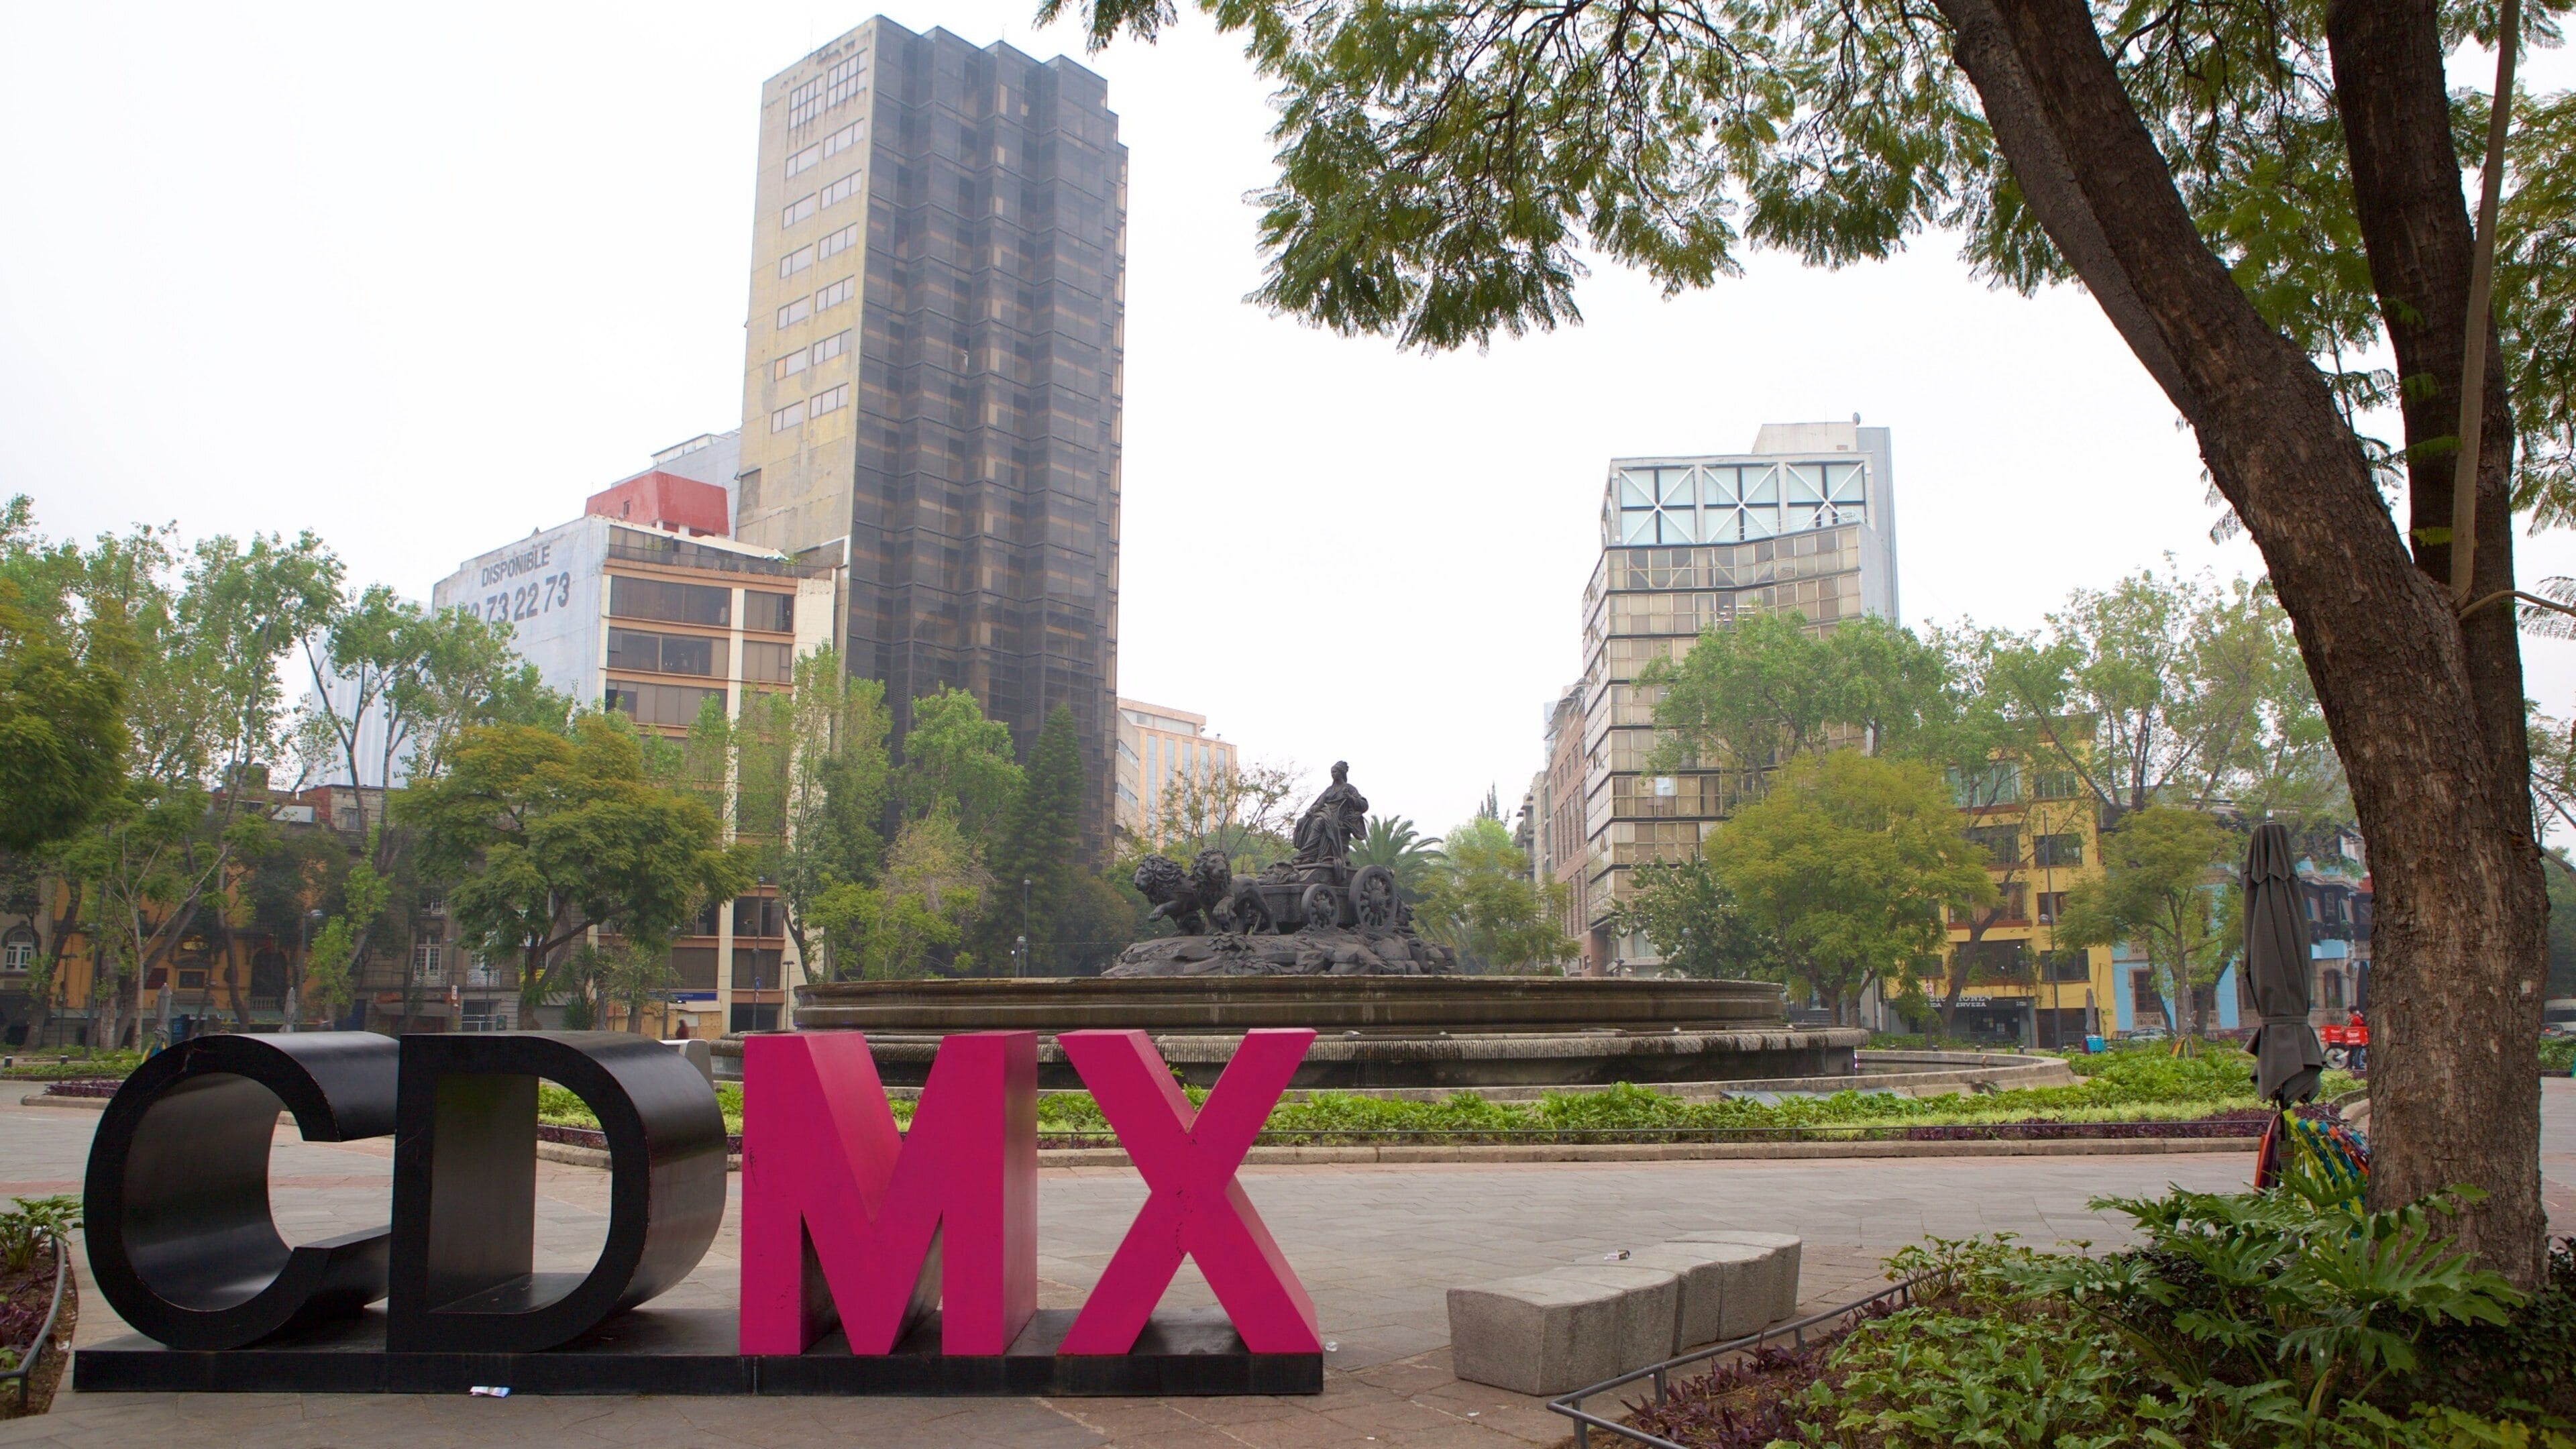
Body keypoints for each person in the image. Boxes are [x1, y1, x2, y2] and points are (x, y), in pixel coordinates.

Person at [1291, 761, 1368, 867]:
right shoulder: (1329, 790)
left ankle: (1306, 855)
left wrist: (1350, 798)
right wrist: (1310, 811)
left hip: (1339, 817)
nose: (1333, 774)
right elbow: (1319, 804)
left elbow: (1364, 805)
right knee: (1302, 821)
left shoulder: (1349, 788)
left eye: (1335, 772)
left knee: (1320, 822)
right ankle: (1310, 856)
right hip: (1325, 812)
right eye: (1331, 772)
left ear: (1341, 773)